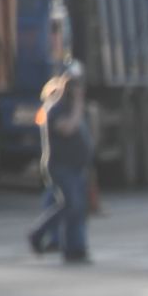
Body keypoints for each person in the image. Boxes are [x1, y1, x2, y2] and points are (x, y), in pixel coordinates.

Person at [29, 64, 92, 264]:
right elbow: (67, 128)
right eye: (74, 87)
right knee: (71, 205)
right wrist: (78, 104)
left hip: (76, 165)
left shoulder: (73, 108)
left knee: (77, 207)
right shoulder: (55, 108)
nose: (78, 91)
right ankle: (38, 234)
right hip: (60, 166)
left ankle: (76, 250)